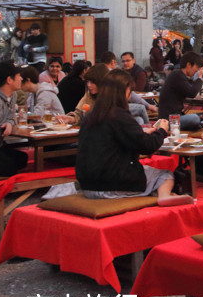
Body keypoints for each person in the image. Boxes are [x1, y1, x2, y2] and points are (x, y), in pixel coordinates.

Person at [76, 70, 190, 206]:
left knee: (149, 176)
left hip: (87, 185)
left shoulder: (91, 116)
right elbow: (148, 146)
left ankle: (159, 193)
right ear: (123, 91)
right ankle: (164, 195)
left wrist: (143, 133)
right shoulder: (119, 115)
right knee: (164, 174)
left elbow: (118, 140)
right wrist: (162, 131)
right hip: (112, 184)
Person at [158, 51, 203, 120]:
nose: (197, 70)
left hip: (175, 115)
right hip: (169, 119)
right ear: (188, 65)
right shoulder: (177, 75)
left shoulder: (178, 74)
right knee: (195, 118)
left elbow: (190, 88)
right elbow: (192, 93)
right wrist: (199, 78)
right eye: (197, 67)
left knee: (202, 115)